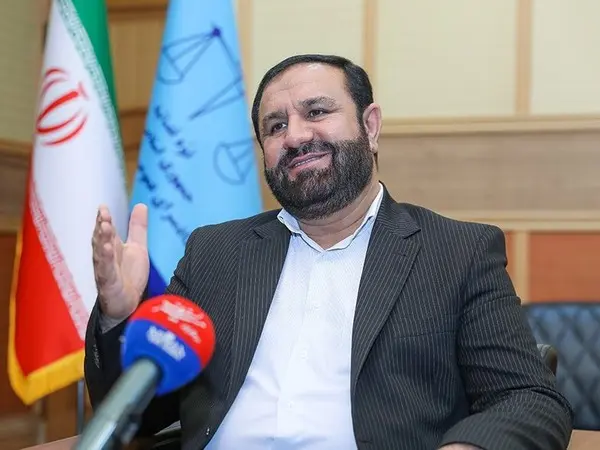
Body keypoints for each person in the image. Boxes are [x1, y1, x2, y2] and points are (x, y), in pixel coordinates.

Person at [86, 54, 573, 450]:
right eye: (276, 126)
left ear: (370, 126)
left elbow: (527, 398)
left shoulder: (456, 253)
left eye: (316, 112)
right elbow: (144, 415)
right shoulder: (215, 252)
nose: (296, 136)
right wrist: (120, 315)